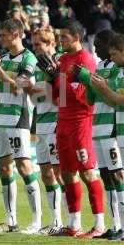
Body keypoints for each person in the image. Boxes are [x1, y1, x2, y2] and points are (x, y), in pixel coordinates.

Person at [41, 20, 104, 238]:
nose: (60, 40)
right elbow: (55, 98)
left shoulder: (86, 60)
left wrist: (77, 80)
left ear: (77, 37)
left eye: (65, 37)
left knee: (87, 171)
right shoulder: (62, 59)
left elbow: (88, 98)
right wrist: (49, 78)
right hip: (63, 121)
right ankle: (74, 223)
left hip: (81, 122)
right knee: (67, 173)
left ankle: (99, 224)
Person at [0, 19, 42, 234]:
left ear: (16, 34)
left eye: (3, 34)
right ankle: (11, 221)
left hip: (18, 117)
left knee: (24, 166)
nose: (0, 38)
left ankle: (36, 221)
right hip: (0, 116)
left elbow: (20, 87)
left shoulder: (28, 58)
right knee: (3, 168)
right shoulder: (5, 57)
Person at [81, 32, 124, 240]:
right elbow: (91, 99)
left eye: (99, 45)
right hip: (97, 127)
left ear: (110, 45)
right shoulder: (99, 67)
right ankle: (114, 226)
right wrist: (87, 83)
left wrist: (94, 84)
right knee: (107, 178)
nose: (95, 49)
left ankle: (123, 227)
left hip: (111, 128)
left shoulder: (118, 67)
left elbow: (112, 98)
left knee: (118, 176)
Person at [23, 27, 65, 234]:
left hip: (56, 122)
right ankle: (56, 221)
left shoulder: (59, 62)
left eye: (39, 44)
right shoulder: (39, 66)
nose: (35, 48)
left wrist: (50, 79)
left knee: (59, 173)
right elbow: (36, 97)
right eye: (33, 44)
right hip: (41, 123)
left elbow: (61, 96)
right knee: (46, 173)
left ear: (51, 44)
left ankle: (70, 221)